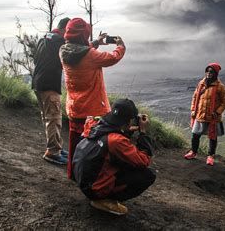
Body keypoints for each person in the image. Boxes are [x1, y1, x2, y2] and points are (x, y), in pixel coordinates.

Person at [60, 17, 126, 179]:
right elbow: (112, 58)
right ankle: (91, 177)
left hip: (74, 107)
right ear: (83, 34)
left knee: (75, 143)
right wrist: (121, 46)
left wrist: (95, 42)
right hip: (93, 109)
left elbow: (80, 52)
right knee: (93, 146)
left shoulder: (63, 51)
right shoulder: (90, 55)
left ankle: (72, 173)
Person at [73, 98, 156, 215]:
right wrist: (143, 133)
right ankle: (104, 200)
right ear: (128, 120)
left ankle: (100, 193)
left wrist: (127, 131)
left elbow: (108, 137)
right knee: (147, 175)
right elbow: (144, 160)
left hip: (84, 181)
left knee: (118, 160)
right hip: (94, 190)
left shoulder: (94, 124)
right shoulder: (116, 141)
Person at [32, 17, 70, 165]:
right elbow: (74, 55)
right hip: (49, 85)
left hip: (38, 83)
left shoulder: (44, 39)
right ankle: (52, 152)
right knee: (54, 118)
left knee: (48, 117)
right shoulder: (59, 42)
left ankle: (57, 147)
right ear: (65, 29)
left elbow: (36, 59)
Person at [184, 62, 225, 166]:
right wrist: (193, 109)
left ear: (216, 73)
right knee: (195, 134)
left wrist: (217, 112)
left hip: (213, 117)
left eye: (211, 71)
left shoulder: (220, 86)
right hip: (200, 114)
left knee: (212, 137)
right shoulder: (201, 83)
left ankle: (210, 156)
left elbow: (224, 102)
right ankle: (193, 152)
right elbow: (195, 97)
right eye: (207, 71)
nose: (208, 73)